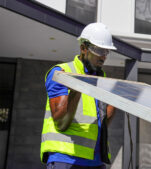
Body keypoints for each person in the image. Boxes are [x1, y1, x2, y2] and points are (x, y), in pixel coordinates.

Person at [40, 22, 116, 169]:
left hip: (96, 161)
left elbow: (103, 124)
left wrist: (116, 100)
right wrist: (78, 88)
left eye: (106, 52)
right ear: (83, 48)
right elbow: (61, 123)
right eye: (99, 50)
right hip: (66, 159)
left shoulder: (102, 78)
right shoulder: (61, 73)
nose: (103, 57)